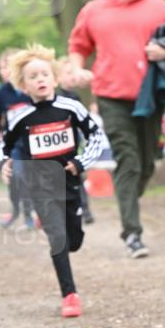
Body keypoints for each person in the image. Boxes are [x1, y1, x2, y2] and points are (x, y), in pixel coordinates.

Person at [67, 0, 165, 259]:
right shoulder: (94, 10)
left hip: (150, 95)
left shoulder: (159, 6)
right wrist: (77, 68)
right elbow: (78, 46)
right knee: (128, 159)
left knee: (147, 163)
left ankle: (126, 198)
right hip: (111, 96)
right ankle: (132, 233)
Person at [0, 45, 107, 318]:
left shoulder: (71, 107)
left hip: (70, 183)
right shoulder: (21, 117)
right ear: (23, 85)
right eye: (33, 77)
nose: (40, 80)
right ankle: (69, 295)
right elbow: (3, 146)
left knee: (74, 240)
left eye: (45, 74)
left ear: (55, 78)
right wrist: (3, 163)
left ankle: (68, 237)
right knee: (57, 238)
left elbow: (96, 137)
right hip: (41, 185)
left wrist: (80, 163)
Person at [0, 48, 35, 229]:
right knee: (16, 178)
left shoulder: (30, 88)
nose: (2, 71)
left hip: (34, 142)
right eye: (1, 67)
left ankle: (32, 216)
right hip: (15, 144)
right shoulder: (2, 92)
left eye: (6, 67)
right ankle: (17, 212)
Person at [56, 57, 95, 224]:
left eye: (74, 72)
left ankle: (85, 210)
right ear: (58, 77)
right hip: (59, 146)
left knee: (78, 175)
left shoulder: (76, 97)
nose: (73, 76)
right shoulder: (56, 97)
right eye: (68, 73)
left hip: (74, 145)